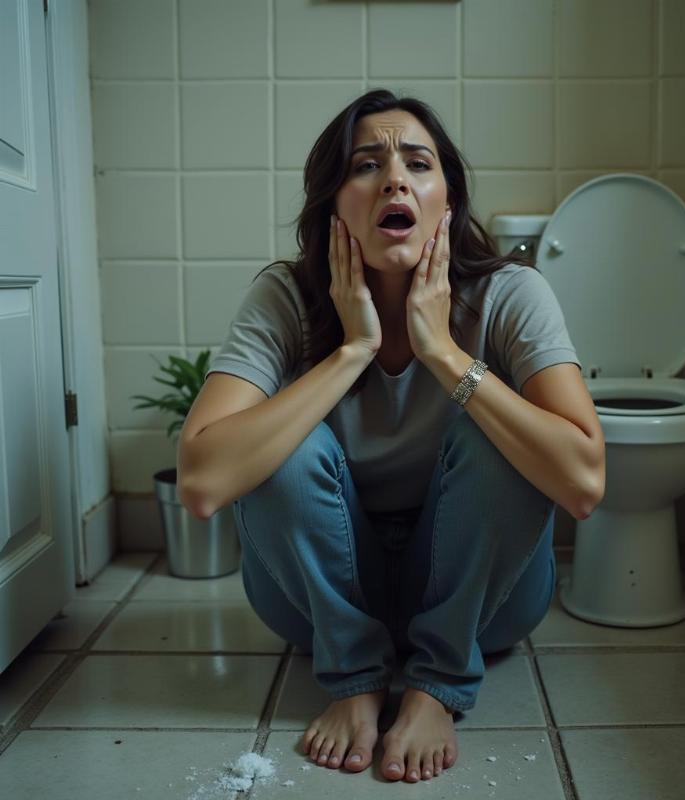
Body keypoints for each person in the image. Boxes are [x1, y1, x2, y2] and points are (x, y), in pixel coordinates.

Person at [177, 89, 605, 784]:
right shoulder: (284, 299)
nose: (396, 179)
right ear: (332, 207)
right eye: (366, 165)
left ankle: (437, 683)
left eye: (418, 163)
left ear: (449, 203)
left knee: (500, 429)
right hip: (316, 602)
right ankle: (354, 679)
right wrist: (351, 351)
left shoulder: (511, 294)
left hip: (487, 600)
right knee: (283, 446)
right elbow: (201, 482)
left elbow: (585, 482)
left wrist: (446, 356)